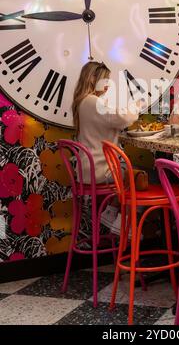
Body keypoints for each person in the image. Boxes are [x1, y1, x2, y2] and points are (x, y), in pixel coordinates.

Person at [72, 61, 141, 233]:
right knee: (142, 177)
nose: (108, 85)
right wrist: (136, 107)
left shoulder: (82, 102)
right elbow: (122, 119)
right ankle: (124, 223)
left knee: (132, 172)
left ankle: (111, 213)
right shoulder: (92, 102)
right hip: (101, 169)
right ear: (92, 79)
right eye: (105, 80)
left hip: (88, 168)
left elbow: (110, 118)